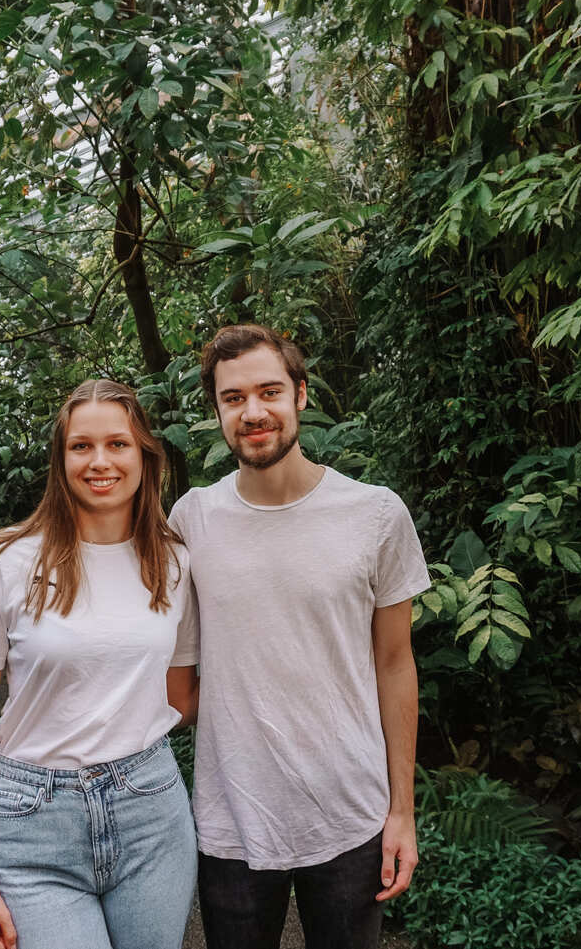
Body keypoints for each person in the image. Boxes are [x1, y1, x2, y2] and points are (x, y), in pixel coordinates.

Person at [169, 324, 430, 949]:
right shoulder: (192, 519)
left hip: (350, 810)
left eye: (269, 392)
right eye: (234, 399)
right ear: (217, 411)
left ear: (301, 395)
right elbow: (180, 684)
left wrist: (402, 811)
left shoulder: (375, 514)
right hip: (232, 811)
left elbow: (395, 665)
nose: (253, 412)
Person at [0, 379, 199, 949]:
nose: (100, 461)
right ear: (61, 461)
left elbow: (180, 698)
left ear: (145, 456)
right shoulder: (4, 560)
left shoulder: (174, 560)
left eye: (118, 444)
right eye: (81, 446)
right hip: (33, 822)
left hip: (151, 813)